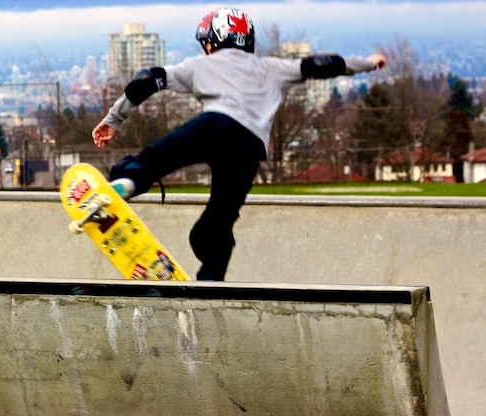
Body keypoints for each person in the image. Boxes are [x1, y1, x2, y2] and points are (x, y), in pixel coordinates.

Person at [92, 7, 387, 281]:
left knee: (154, 161)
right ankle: (211, 288)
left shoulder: (197, 65)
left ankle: (129, 182)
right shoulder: (271, 67)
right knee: (216, 227)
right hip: (249, 148)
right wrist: (368, 64)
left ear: (211, 42)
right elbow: (322, 65)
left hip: (213, 126)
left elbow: (147, 80)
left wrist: (113, 120)